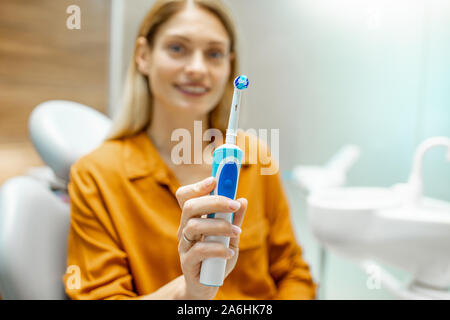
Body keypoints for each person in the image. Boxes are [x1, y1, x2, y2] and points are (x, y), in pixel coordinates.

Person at [64, 0, 316, 300]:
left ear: (229, 68)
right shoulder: (96, 176)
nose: (197, 68)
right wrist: (188, 292)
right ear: (143, 56)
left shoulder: (256, 157)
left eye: (214, 54)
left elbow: (293, 273)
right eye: (177, 48)